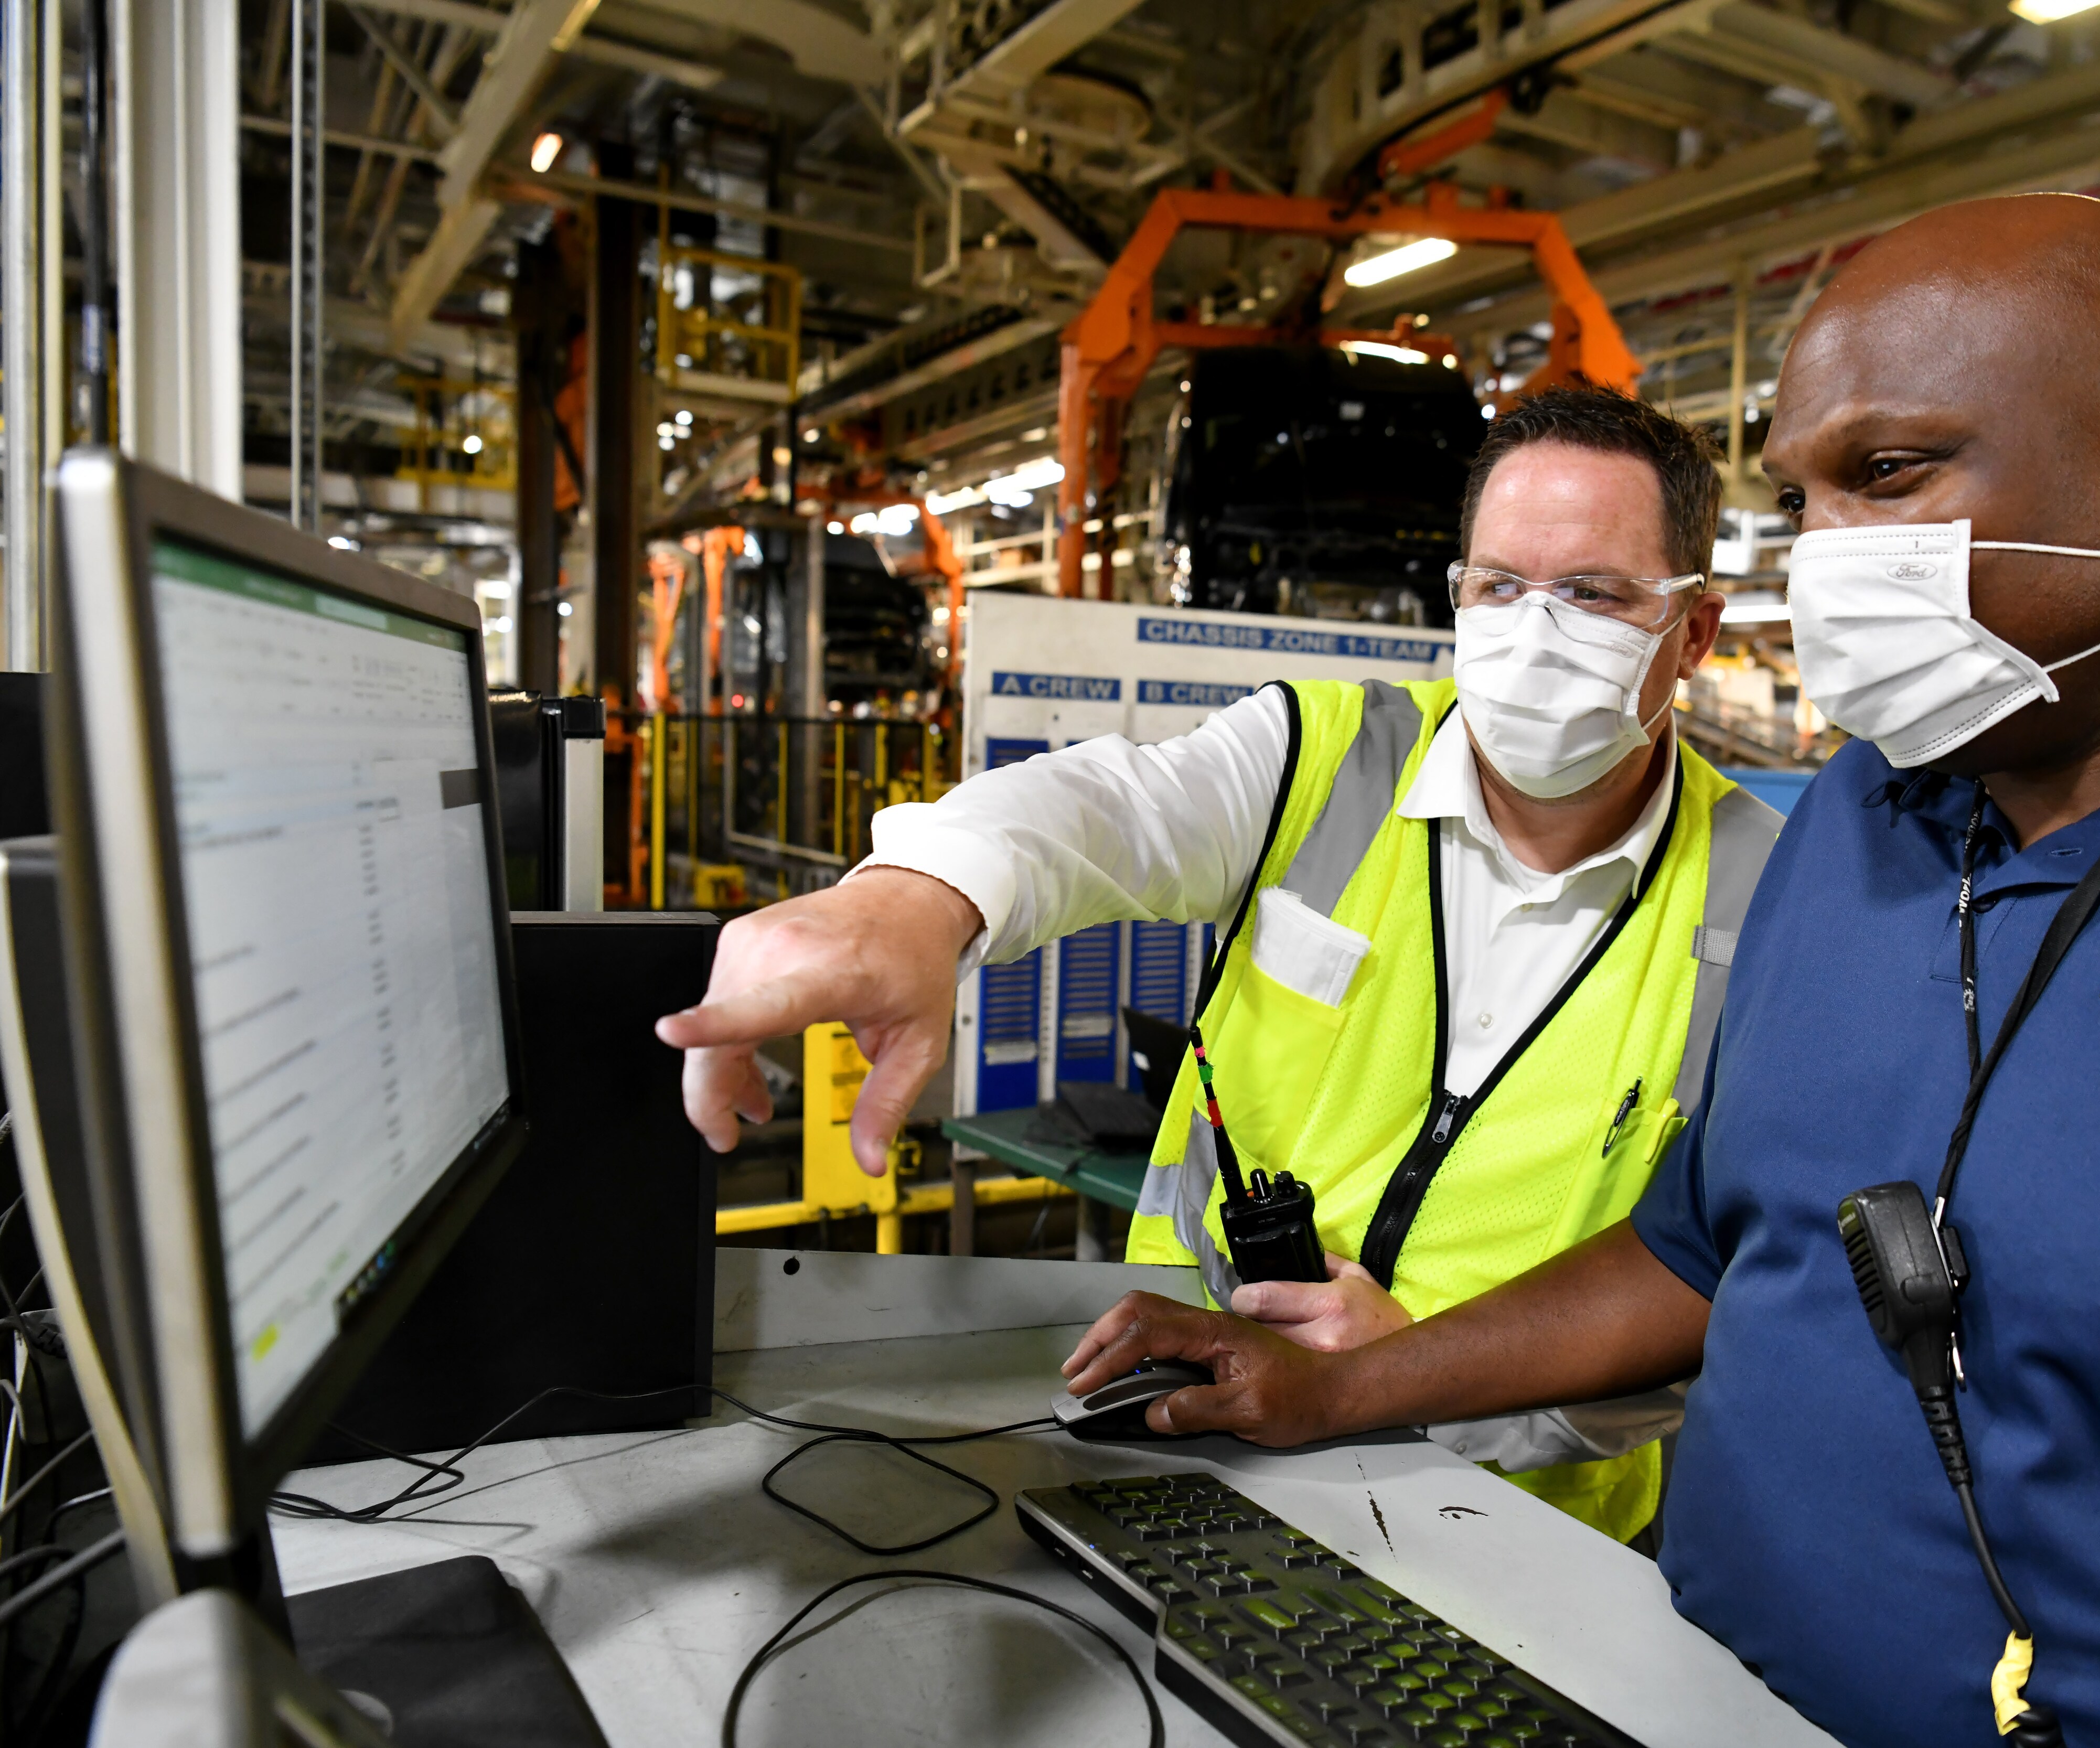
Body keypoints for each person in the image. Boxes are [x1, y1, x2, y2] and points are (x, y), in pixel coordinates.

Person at [1055, 193, 2100, 1748]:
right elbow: (1706, 1243)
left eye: (1888, 472)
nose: (1831, 564)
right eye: (1803, 500)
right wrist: (1344, 1386)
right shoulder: (1869, 802)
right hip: (1656, 1686)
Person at [657, 389, 1783, 1543]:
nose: (1533, 632)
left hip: (1520, 1528)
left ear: (1693, 630)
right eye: (1499, 586)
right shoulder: (1326, 751)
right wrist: (919, 895)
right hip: (1185, 1426)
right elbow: (1106, 809)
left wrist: (1411, 1373)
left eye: (1591, 593)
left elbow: (1727, 1290)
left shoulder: (1770, 894)